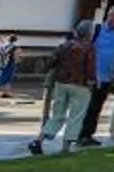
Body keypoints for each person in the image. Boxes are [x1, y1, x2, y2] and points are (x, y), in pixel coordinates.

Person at [33, 20, 98, 156]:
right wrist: (92, 81)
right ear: (89, 33)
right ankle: (66, 146)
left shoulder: (64, 45)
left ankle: (39, 140)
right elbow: (90, 67)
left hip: (61, 83)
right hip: (80, 84)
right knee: (76, 115)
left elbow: (51, 62)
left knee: (57, 115)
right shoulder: (89, 48)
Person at [87, 4, 114, 144]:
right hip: (92, 75)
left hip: (107, 76)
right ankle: (79, 133)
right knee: (87, 105)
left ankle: (88, 134)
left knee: (97, 106)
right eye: (110, 15)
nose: (112, 18)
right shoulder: (97, 29)